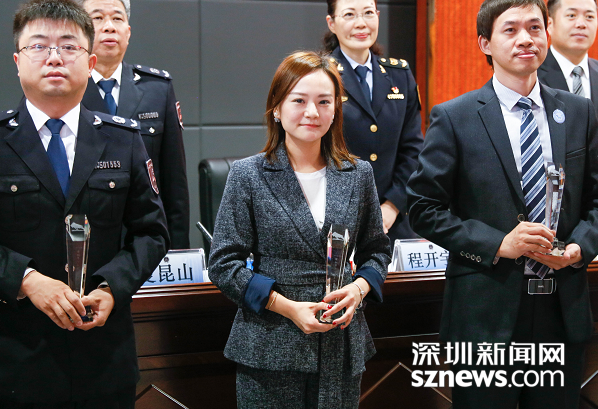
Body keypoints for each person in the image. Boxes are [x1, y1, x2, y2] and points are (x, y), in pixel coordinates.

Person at [406, 0, 598, 407]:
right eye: (510, 30)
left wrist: (580, 248)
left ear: (547, 34)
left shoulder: (579, 112)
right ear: (485, 44)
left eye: (534, 27)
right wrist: (498, 244)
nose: (525, 39)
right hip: (485, 312)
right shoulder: (455, 117)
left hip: (561, 309)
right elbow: (423, 208)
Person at [0, 0, 169, 407]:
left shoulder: (123, 139)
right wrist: (27, 280)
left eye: (69, 46)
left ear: (89, 62)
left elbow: (152, 233)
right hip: (15, 360)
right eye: (38, 46)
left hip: (103, 356)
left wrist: (112, 287)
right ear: (17, 61)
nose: (54, 57)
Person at [208, 51, 391, 409]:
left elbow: (377, 252)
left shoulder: (357, 174)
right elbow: (224, 264)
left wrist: (358, 290)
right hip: (270, 342)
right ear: (277, 107)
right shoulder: (248, 175)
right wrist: (288, 308)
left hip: (340, 342)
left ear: (335, 110)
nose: (312, 112)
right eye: (299, 100)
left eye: (324, 102)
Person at [77, 0, 190, 249]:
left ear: (128, 32)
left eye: (117, 18)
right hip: (86, 241)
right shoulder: (65, 89)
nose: (109, 27)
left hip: (145, 241)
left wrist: (178, 249)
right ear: (79, 30)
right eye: (97, 18)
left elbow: (174, 183)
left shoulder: (157, 89)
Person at [324, 0, 424, 243]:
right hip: (334, 220)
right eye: (349, 14)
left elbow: (413, 149)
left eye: (368, 13)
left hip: (392, 223)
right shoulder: (320, 74)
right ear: (332, 23)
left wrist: (392, 205)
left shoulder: (399, 74)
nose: (361, 23)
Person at [538, 0, 598, 115]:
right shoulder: (532, 74)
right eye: (571, 15)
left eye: (589, 17)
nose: (581, 24)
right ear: (549, 24)